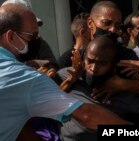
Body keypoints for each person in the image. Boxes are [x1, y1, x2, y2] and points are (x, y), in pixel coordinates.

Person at [0, 3, 129, 141]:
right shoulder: (24, 78)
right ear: (11, 37)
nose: (37, 41)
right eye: (32, 36)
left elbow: (17, 128)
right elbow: (87, 115)